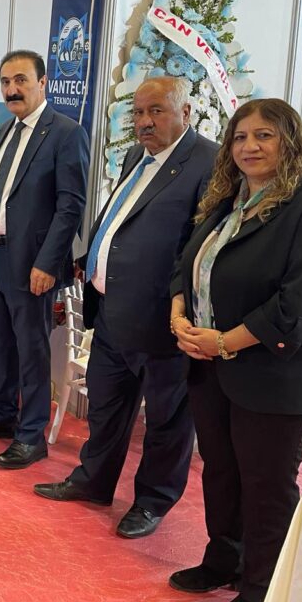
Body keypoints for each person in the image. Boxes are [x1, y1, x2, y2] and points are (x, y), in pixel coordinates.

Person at [168, 98, 302, 602]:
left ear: (290, 142)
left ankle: (262, 587)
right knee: (221, 473)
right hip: (210, 366)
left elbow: (294, 306)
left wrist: (224, 341)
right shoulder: (228, 202)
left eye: (264, 135)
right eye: (240, 137)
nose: (250, 146)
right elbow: (187, 265)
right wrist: (179, 314)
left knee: (266, 486)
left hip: (277, 373)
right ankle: (224, 560)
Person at [33, 77, 217, 538]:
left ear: (186, 112)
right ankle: (94, 481)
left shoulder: (208, 163)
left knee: (167, 419)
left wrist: (179, 308)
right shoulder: (139, 156)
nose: (144, 122)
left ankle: (153, 502)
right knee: (106, 406)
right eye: (137, 113)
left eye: (156, 111)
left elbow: (199, 249)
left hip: (163, 320)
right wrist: (90, 258)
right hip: (112, 311)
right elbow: (121, 216)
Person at [0, 49, 89, 469]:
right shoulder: (5, 130)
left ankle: (31, 436)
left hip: (33, 263)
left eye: (21, 81)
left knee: (31, 350)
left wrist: (48, 263)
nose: (11, 90)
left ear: (43, 83)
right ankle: (1, 414)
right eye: (5, 82)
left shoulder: (66, 133)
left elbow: (71, 206)